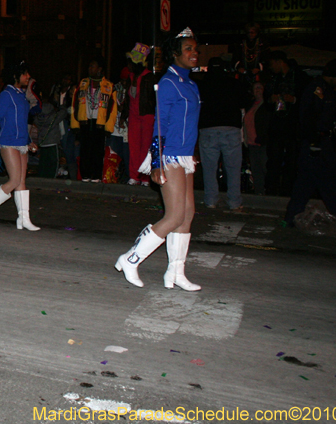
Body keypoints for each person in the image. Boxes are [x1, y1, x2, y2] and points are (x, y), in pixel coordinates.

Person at [114, 28, 202, 291]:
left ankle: (175, 273)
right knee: (174, 216)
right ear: (175, 54)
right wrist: (156, 162)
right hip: (169, 153)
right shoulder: (167, 83)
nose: (194, 53)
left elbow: (190, 123)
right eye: (188, 49)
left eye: (195, 48)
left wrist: (193, 152)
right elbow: (159, 125)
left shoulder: (191, 84)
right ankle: (131, 259)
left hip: (185, 154)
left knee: (187, 214)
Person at [284, 59, 336, 225]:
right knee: (331, 182)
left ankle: (292, 217)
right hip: (317, 143)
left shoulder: (327, 90)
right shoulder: (317, 89)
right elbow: (309, 117)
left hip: (318, 142)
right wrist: (314, 142)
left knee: (305, 183)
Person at [0, 61, 40, 231]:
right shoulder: (7, 94)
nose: (28, 77)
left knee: (22, 182)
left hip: (21, 142)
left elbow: (22, 122)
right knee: (14, 180)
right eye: (25, 74)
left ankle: (24, 219)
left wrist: (28, 141)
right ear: (16, 76)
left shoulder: (21, 95)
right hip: (8, 141)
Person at [196, 56, 247, 211]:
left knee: (209, 169)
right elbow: (244, 102)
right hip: (230, 128)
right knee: (232, 168)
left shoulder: (202, 85)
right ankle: (234, 201)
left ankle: (211, 199)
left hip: (208, 128)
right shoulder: (234, 83)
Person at [265, 50, 308, 196]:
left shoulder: (300, 77)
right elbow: (266, 101)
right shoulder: (273, 79)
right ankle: (272, 188)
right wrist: (271, 99)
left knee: (292, 159)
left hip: (293, 125)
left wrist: (293, 100)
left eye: (272, 64)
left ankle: (289, 189)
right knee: (274, 158)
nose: (271, 68)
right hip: (277, 125)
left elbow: (307, 101)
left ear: (279, 62)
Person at [71, 57, 113, 182]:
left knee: (98, 150)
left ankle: (96, 176)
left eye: (93, 66)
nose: (90, 68)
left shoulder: (108, 85)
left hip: (99, 122)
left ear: (100, 69)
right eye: (89, 66)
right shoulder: (82, 83)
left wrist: (108, 126)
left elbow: (112, 107)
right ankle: (85, 175)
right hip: (85, 120)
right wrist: (75, 124)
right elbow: (75, 104)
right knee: (85, 149)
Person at [127, 49, 156, 186]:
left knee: (145, 147)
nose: (129, 65)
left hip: (146, 116)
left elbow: (154, 98)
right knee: (133, 147)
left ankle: (145, 177)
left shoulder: (149, 77)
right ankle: (134, 175)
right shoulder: (130, 76)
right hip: (133, 116)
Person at [244, 81, 272, 195]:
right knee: (256, 171)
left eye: (260, 87)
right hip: (251, 143)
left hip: (262, 143)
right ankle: (259, 193)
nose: (258, 90)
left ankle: (269, 192)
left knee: (265, 168)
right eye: (255, 88)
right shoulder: (251, 105)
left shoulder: (267, 105)